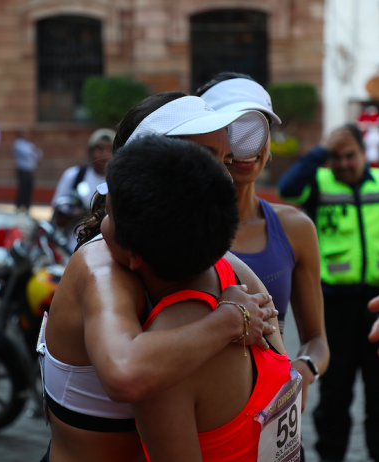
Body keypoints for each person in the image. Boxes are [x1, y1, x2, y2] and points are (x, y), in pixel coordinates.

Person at [37, 92, 279, 462]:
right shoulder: (101, 264)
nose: (223, 180)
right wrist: (230, 319)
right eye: (201, 161)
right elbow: (124, 372)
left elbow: (283, 379)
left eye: (224, 161)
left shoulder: (220, 265)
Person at [102, 135, 296, 462]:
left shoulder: (164, 365)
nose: (101, 226)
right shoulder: (238, 274)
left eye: (107, 215)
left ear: (134, 253)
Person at [197, 73, 329, 415]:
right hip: (209, 417)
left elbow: (317, 341)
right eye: (231, 128)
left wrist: (304, 370)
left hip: (275, 416)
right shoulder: (182, 228)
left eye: (258, 127)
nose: (247, 145)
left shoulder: (296, 227)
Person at [278, 124, 379, 462]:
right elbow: (288, 187)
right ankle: (331, 456)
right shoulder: (318, 184)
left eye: (350, 155)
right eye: (335, 157)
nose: (343, 163)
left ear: (364, 154)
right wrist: (321, 151)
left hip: (377, 305)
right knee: (336, 391)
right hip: (334, 305)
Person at [50, 128, 115, 251]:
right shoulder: (74, 176)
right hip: (73, 246)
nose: (105, 155)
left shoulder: (119, 180)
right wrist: (79, 212)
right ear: (90, 152)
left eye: (110, 150)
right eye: (100, 149)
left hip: (108, 249)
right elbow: (58, 216)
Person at [13, 129, 43, 212]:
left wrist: (34, 152)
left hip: (30, 170)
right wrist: (33, 152)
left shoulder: (30, 144)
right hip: (23, 170)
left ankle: (27, 206)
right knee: (23, 189)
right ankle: (19, 206)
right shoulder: (18, 144)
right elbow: (28, 154)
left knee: (29, 189)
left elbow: (39, 154)